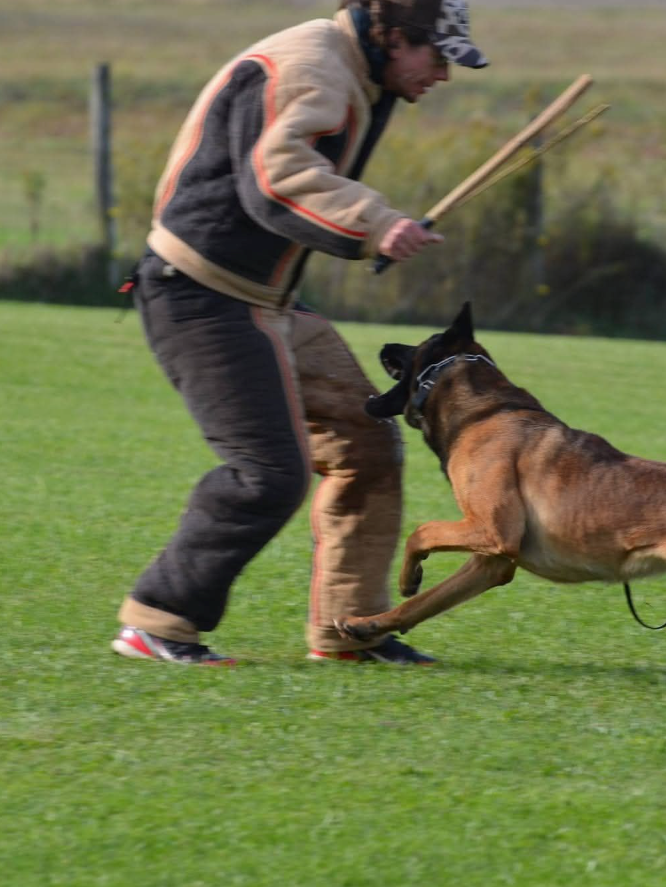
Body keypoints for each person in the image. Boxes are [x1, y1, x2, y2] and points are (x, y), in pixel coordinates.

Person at [110, 0, 489, 666]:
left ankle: (349, 631)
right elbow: (273, 180)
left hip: (266, 300)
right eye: (436, 57)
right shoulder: (313, 66)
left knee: (368, 444)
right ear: (395, 37)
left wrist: (368, 225)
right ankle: (156, 620)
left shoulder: (355, 68)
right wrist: (375, 222)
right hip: (200, 293)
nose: (442, 75)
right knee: (266, 475)